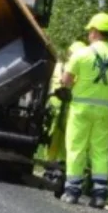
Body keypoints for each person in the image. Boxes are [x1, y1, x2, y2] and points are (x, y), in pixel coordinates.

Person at [59, 12, 108, 208]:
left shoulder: (81, 54)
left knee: (76, 148)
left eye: (90, 31)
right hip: (104, 110)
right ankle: (100, 193)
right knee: (100, 151)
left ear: (94, 31)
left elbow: (65, 82)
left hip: (80, 108)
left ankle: (73, 190)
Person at [43, 40, 89, 184]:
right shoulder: (59, 68)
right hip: (55, 111)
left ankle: (60, 167)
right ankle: (49, 167)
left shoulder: (82, 72)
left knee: (67, 140)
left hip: (70, 112)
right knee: (52, 139)